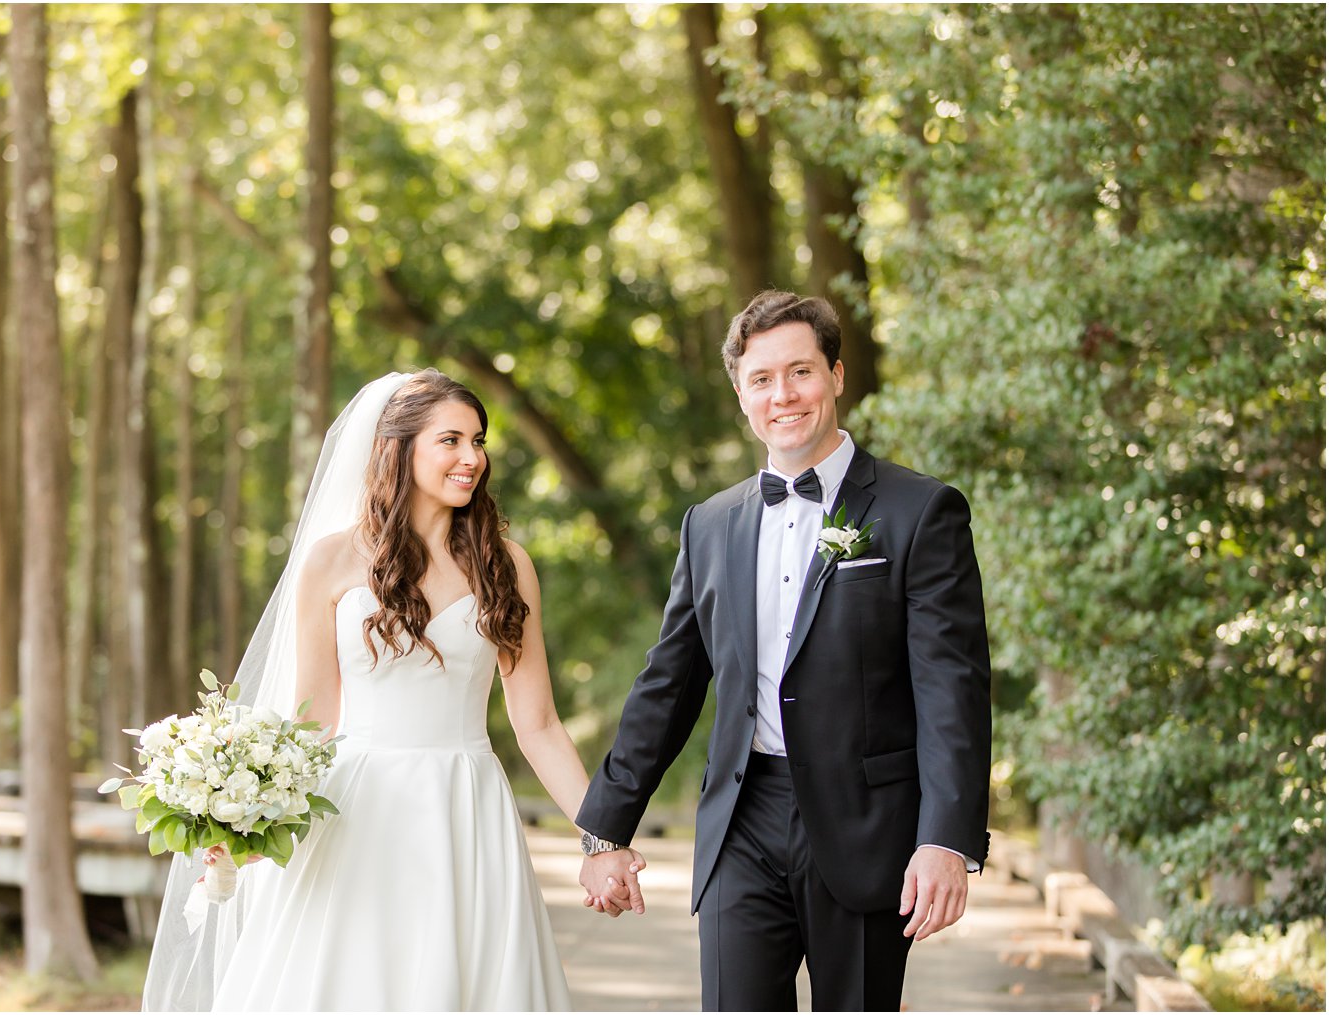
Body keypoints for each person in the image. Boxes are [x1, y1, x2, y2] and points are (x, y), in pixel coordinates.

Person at [575, 290, 993, 1011]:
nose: (783, 395)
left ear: (836, 374)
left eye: (800, 371)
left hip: (868, 823)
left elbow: (951, 687)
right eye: (761, 379)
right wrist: (605, 829)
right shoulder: (709, 525)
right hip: (743, 816)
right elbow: (670, 680)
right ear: (741, 393)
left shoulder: (919, 511)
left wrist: (947, 839)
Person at [143, 370, 610, 1011]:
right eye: (450, 440)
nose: (472, 458)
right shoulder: (331, 561)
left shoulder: (507, 564)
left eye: (478, 441)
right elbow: (312, 722)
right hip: (357, 810)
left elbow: (541, 726)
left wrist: (602, 839)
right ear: (400, 448)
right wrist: (250, 819)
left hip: (464, 807)